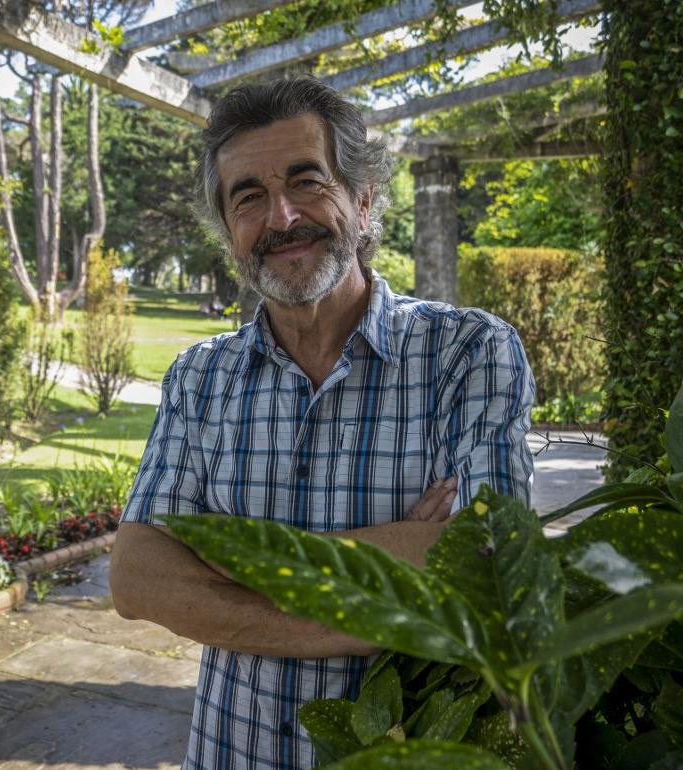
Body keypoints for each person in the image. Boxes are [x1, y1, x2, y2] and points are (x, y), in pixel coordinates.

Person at [108, 78, 535, 770]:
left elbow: (489, 568)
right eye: (248, 197)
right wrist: (392, 583)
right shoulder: (198, 376)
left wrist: (227, 558)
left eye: (308, 182)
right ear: (227, 233)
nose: (281, 218)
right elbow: (135, 579)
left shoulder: (470, 353)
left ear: (362, 201)